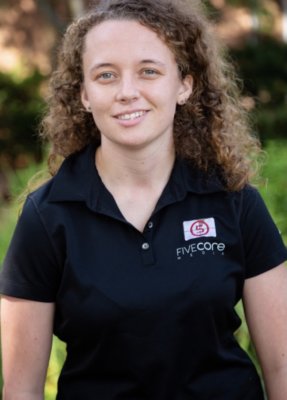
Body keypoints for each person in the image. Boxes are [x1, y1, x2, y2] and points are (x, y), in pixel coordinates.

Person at [1, 0, 287, 399]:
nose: (127, 92)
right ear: (84, 94)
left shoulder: (234, 201)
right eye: (106, 76)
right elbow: (21, 391)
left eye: (149, 71)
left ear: (184, 85)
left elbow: (282, 366)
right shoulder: (47, 218)